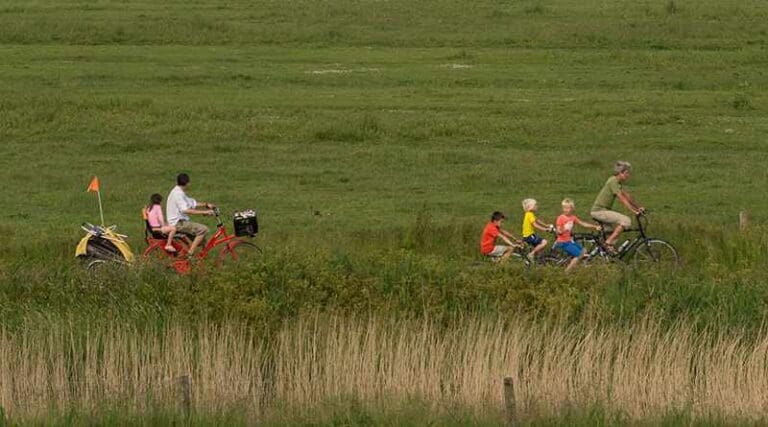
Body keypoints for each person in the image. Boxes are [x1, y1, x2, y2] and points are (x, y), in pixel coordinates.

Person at [591, 161, 645, 252]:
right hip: (599, 211)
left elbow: (627, 196)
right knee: (626, 220)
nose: (628, 175)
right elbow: (622, 199)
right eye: (626, 173)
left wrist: (638, 207)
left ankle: (607, 254)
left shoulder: (617, 182)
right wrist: (634, 211)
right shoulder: (613, 181)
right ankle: (607, 243)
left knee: (611, 234)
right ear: (620, 173)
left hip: (602, 211)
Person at [166, 173, 216, 257]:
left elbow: (191, 203)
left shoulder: (177, 191)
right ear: (187, 183)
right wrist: (205, 212)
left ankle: (201, 258)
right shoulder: (178, 194)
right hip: (178, 223)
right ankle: (190, 254)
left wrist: (206, 205)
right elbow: (186, 210)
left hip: (179, 222)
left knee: (203, 240)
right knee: (203, 229)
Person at [554, 198, 601, 272]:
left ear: (572, 208)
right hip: (562, 242)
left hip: (569, 241)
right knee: (579, 255)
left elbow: (583, 224)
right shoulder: (560, 218)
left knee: (584, 250)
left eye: (568, 208)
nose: (565, 210)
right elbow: (558, 232)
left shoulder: (573, 217)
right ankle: (566, 272)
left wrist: (595, 226)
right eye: (564, 208)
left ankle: (573, 264)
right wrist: (565, 229)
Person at [521, 198, 554, 262]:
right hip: (529, 236)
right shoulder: (529, 215)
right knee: (544, 242)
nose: (537, 206)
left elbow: (537, 220)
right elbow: (535, 225)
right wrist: (546, 229)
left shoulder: (529, 214)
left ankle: (537, 261)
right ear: (530, 207)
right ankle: (531, 254)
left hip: (528, 235)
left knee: (540, 249)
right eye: (535, 205)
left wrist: (546, 225)